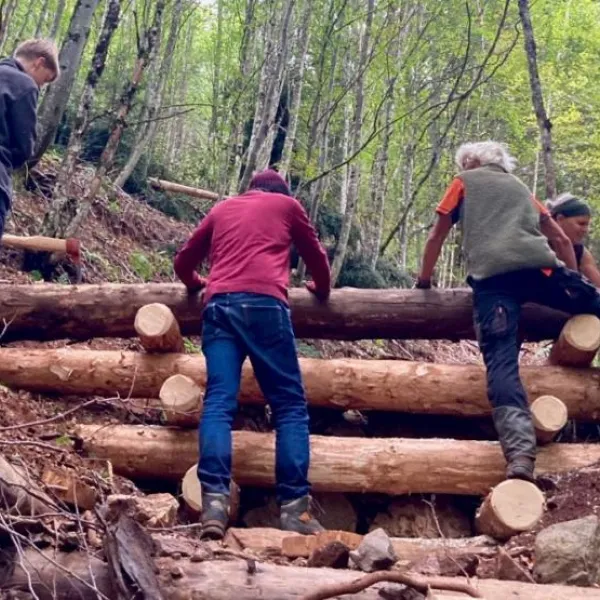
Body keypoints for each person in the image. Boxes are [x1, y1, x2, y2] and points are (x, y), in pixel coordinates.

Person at [416, 140, 600, 483]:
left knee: (501, 364)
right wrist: (572, 280)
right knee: (596, 303)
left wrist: (424, 281)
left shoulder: (462, 183)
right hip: (542, 272)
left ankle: (520, 456)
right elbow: (560, 241)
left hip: (494, 284)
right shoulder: (521, 189)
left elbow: (436, 236)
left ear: (470, 161)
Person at [174, 169, 331, 540]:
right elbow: (317, 257)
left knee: (218, 403)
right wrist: (319, 288)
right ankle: (294, 509)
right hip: (265, 308)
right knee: (290, 407)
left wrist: (201, 283)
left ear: (251, 189)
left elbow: (183, 262)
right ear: (281, 191)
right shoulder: (288, 207)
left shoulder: (223, 209)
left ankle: (214, 503)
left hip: (220, 308)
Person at [0, 39, 59, 236]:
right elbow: (24, 146)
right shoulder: (24, 84)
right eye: (44, 79)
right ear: (39, 62)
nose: (40, 86)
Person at [545, 193, 600, 287]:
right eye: (581, 224)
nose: (586, 230)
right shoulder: (538, 243)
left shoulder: (580, 252)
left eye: (587, 225)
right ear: (560, 219)